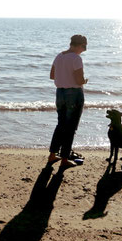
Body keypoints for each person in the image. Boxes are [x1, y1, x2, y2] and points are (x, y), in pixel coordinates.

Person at [47, 34, 88, 170]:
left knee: (61, 125)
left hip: (60, 93)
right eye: (84, 47)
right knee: (70, 128)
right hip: (74, 94)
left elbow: (52, 76)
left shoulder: (59, 56)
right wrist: (85, 81)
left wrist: (64, 76)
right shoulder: (76, 58)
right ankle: (64, 159)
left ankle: (52, 154)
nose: (84, 50)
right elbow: (79, 80)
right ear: (79, 45)